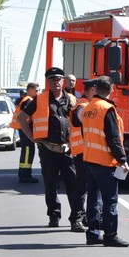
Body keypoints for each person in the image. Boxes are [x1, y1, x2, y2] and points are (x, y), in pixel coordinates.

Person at [16, 67, 84, 231]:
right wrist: (32, 138)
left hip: (68, 149)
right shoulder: (39, 99)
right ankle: (54, 215)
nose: (57, 82)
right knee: (50, 185)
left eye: (60, 79)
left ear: (64, 81)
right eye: (53, 79)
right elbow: (22, 118)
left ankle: (76, 219)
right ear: (48, 82)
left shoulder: (73, 100)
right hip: (48, 149)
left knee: (74, 185)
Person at [76, 76, 129, 247]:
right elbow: (113, 138)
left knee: (93, 199)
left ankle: (92, 234)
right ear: (111, 89)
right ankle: (110, 236)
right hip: (105, 161)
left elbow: (86, 133)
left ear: (96, 89)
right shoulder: (108, 109)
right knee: (110, 200)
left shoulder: (88, 107)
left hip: (89, 158)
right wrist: (122, 160)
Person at [68, 79, 94, 227]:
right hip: (83, 152)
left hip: (88, 152)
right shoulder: (83, 106)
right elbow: (81, 121)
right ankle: (76, 218)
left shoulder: (86, 105)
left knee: (87, 187)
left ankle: (83, 216)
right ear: (91, 90)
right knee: (82, 187)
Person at [11, 82, 40, 183]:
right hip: (25, 129)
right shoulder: (28, 101)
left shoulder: (25, 100)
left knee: (26, 151)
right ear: (30, 90)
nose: (38, 92)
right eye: (36, 90)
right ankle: (25, 175)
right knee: (28, 151)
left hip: (22, 129)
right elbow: (28, 115)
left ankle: (23, 174)